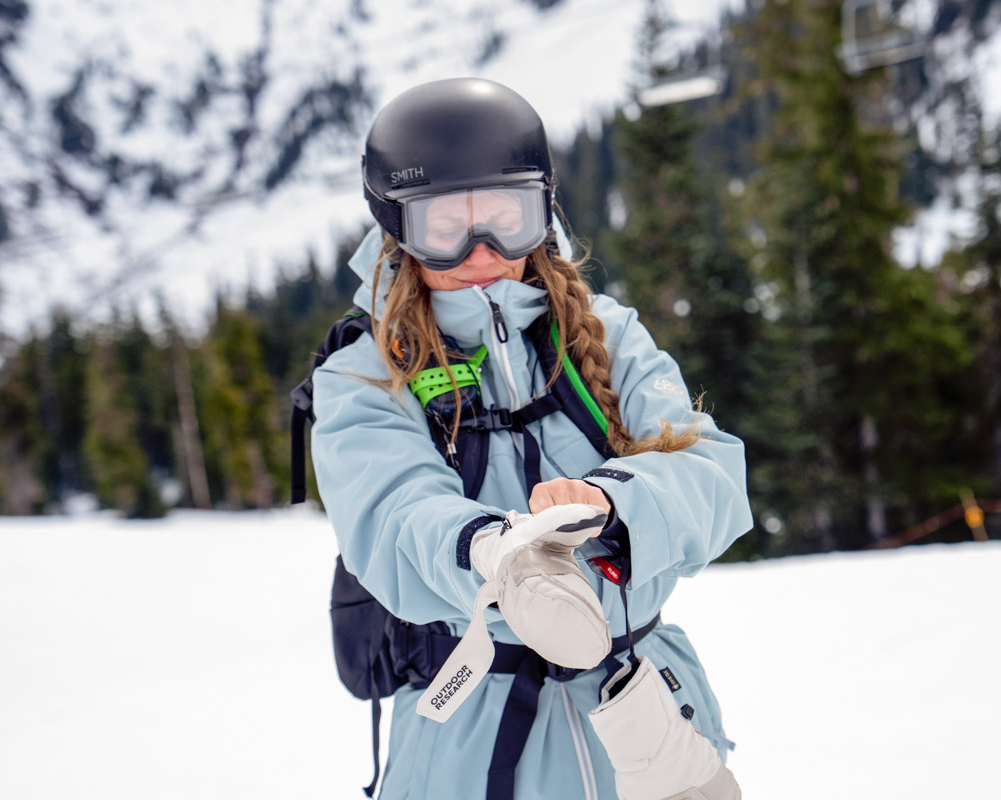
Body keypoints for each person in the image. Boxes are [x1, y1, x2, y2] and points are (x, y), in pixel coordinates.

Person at [311, 77, 752, 800]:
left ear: (541, 212)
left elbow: (710, 469)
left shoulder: (607, 333)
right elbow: (393, 514)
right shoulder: (364, 375)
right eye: (445, 227)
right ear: (398, 229)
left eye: (505, 218)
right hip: (470, 744)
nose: (481, 251)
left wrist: (611, 505)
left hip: (645, 715)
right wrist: (497, 554)